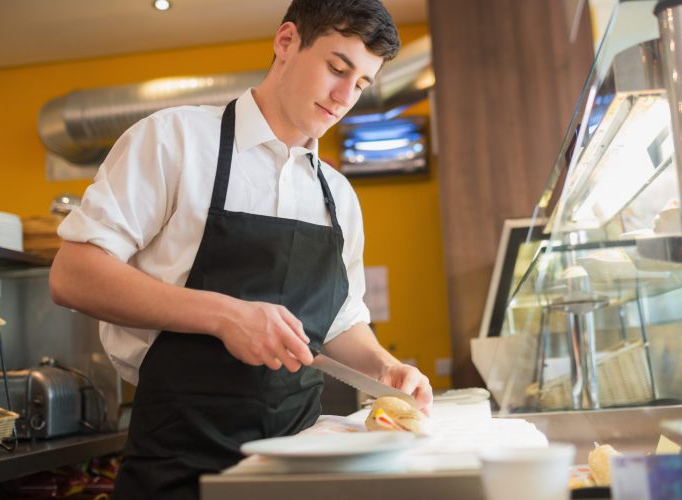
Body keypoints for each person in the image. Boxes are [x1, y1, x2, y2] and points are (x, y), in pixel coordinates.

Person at [49, 1, 433, 498]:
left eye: (360, 84)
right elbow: (73, 275)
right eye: (337, 68)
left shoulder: (338, 195)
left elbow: (340, 319)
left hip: (302, 464)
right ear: (287, 42)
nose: (344, 97)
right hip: (180, 463)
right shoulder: (175, 140)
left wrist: (384, 368)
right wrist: (224, 315)